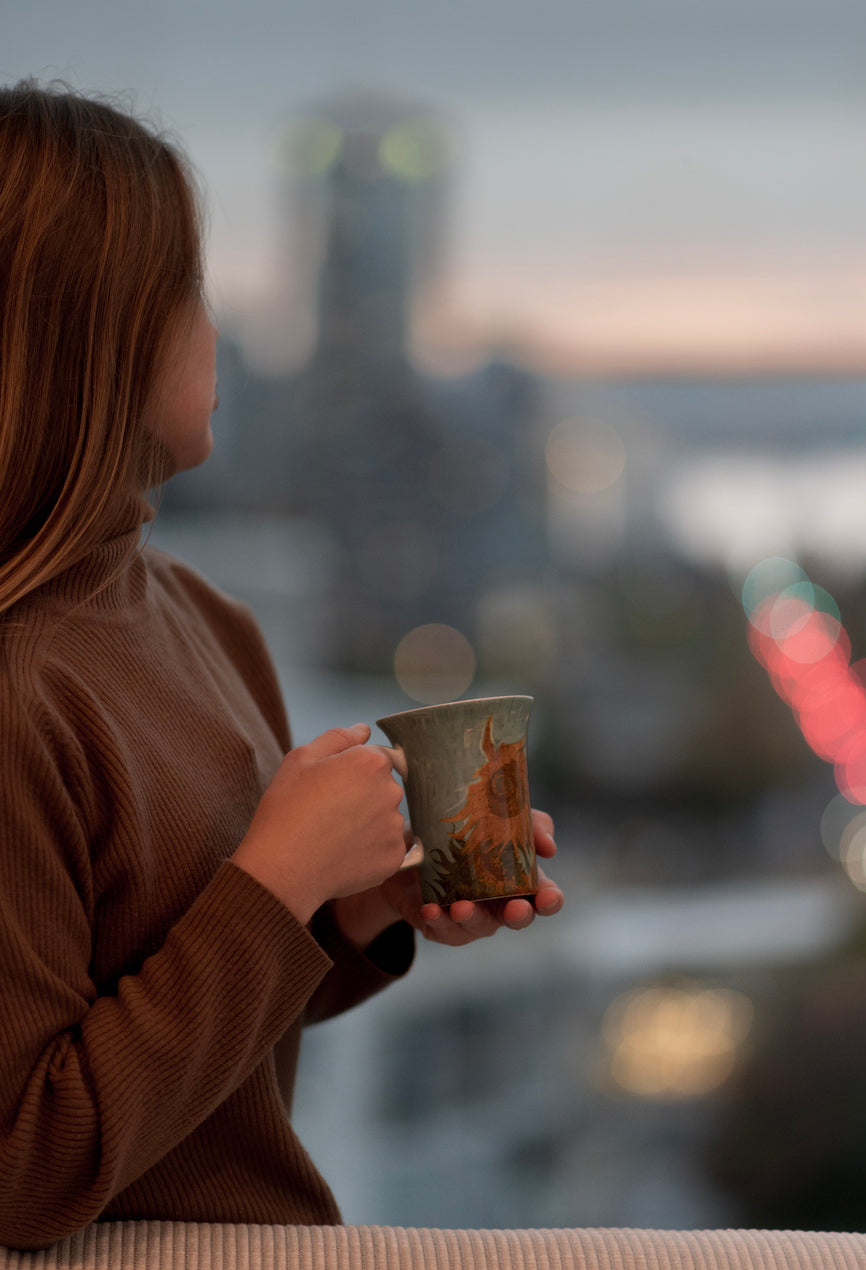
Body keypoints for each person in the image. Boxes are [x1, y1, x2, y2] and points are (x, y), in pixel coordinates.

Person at [0, 79, 563, 1251]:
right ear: (92, 332)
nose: (217, 326)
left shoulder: (200, 615)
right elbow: (27, 1163)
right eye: (187, 290)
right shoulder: (19, 690)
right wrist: (272, 885)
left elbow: (203, 1033)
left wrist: (353, 904)